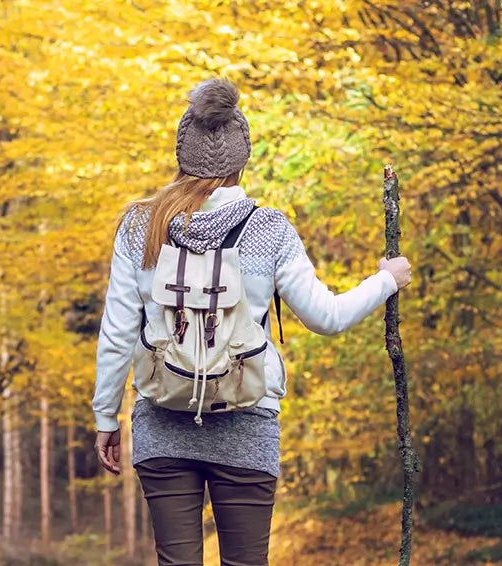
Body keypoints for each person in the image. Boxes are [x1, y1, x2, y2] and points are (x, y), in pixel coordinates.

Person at [90, 78, 413, 566]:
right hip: (247, 420)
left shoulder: (141, 226)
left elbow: (116, 332)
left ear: (182, 155)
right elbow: (327, 317)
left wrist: (105, 417)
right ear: (243, 158)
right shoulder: (269, 230)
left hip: (162, 419)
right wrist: (385, 281)